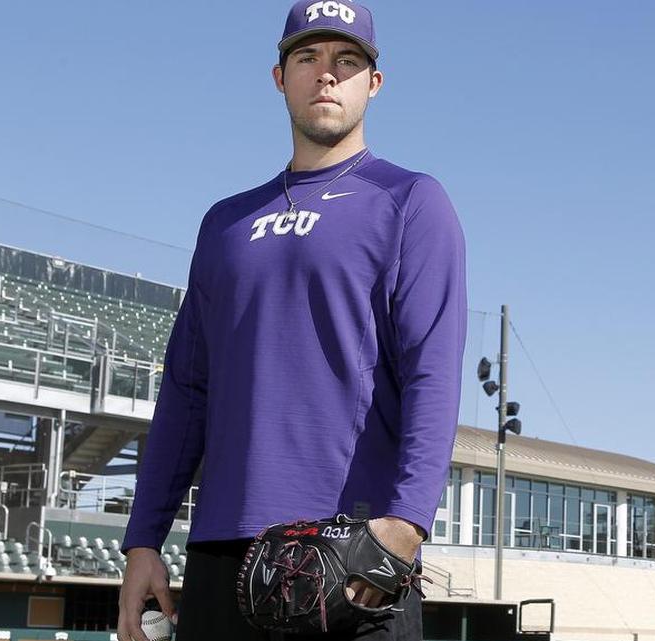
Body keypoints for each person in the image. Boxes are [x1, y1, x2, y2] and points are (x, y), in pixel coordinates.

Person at [115, 1, 467, 639]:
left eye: (347, 60)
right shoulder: (224, 222)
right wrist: (144, 538)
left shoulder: (410, 199)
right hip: (224, 551)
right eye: (307, 58)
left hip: (353, 551)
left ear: (373, 83)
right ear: (280, 77)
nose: (326, 74)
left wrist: (407, 522)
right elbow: (186, 391)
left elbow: (433, 373)